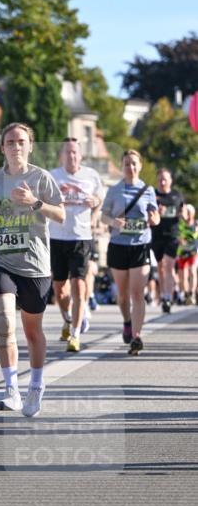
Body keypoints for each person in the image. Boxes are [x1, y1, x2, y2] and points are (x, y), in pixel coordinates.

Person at [0, 122, 64, 418]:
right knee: (4, 322)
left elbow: (61, 214)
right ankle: (11, 389)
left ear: (30, 146)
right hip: (1, 259)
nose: (15, 146)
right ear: (2, 147)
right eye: (10, 142)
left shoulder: (42, 178)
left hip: (35, 263)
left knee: (32, 331)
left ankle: (36, 386)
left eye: (21, 141)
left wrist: (34, 202)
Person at [101, 149, 160, 355]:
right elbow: (103, 217)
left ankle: (136, 336)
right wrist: (114, 221)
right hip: (118, 245)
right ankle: (127, 321)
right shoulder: (114, 190)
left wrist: (154, 220)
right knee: (123, 295)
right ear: (122, 166)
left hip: (140, 245)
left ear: (140, 165)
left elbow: (156, 216)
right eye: (127, 163)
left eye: (134, 163)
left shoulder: (148, 190)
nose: (131, 167)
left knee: (137, 293)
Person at [49, 138, 104, 351]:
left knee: (79, 286)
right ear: (61, 155)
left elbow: (100, 199)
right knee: (60, 289)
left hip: (81, 237)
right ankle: (68, 318)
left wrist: (95, 207)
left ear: (80, 155)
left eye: (74, 152)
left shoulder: (91, 176)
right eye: (67, 152)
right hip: (57, 236)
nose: (71, 156)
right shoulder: (53, 176)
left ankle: (75, 334)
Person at [151, 168, 184, 312]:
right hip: (156, 235)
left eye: (165, 179)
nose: (162, 182)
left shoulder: (177, 196)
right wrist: (155, 212)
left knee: (168, 265)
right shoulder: (152, 194)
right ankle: (164, 294)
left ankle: (167, 298)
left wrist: (182, 215)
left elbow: (182, 212)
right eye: (160, 179)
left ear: (170, 180)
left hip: (172, 235)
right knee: (160, 267)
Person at [177, 203, 197, 305]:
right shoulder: (180, 224)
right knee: (183, 275)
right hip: (182, 252)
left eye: (190, 212)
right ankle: (186, 294)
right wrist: (179, 240)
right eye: (186, 212)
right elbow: (177, 236)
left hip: (193, 251)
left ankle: (192, 293)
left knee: (192, 271)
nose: (188, 214)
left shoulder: (196, 224)